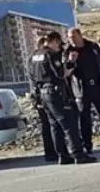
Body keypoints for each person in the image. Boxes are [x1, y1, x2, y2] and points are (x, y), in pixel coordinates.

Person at [31, 31, 94, 164]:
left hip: (43, 93)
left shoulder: (34, 56)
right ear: (54, 42)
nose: (59, 48)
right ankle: (79, 154)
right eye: (58, 44)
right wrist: (71, 62)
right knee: (68, 124)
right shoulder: (50, 55)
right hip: (55, 92)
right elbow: (61, 74)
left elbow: (32, 77)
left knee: (55, 125)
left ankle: (63, 156)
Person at [67, 28, 100, 153]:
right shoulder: (69, 51)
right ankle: (87, 146)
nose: (72, 40)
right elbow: (66, 71)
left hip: (97, 86)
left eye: (73, 36)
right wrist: (71, 61)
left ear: (80, 35)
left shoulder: (92, 47)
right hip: (80, 89)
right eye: (69, 38)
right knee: (85, 118)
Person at [29, 36, 57, 162]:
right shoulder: (46, 56)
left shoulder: (32, 58)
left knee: (46, 125)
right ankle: (56, 151)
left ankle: (50, 153)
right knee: (53, 124)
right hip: (47, 93)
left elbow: (31, 79)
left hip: (38, 94)